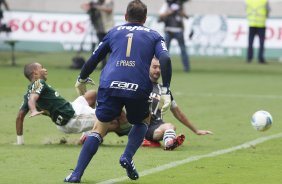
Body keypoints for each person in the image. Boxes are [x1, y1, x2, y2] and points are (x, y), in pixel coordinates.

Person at [64, 0, 172, 182]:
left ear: (125, 17)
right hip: (137, 86)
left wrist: (82, 77)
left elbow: (95, 57)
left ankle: (76, 174)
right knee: (142, 121)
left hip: (109, 84)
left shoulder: (113, 32)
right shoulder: (154, 36)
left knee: (99, 129)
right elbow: (166, 58)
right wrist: (166, 89)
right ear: (145, 18)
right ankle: (127, 157)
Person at [15, 62, 130, 145]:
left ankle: (92, 125)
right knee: (114, 116)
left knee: (92, 94)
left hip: (70, 109)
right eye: (42, 68)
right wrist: (34, 109)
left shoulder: (28, 93)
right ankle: (90, 135)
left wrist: (20, 141)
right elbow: (33, 99)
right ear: (35, 73)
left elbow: (19, 117)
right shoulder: (38, 83)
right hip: (71, 117)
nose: (45, 70)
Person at [142, 58, 213, 150]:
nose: (158, 70)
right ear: (148, 67)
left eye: (160, 68)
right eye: (155, 67)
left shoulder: (164, 90)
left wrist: (196, 130)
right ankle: (142, 138)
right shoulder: (139, 84)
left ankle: (169, 144)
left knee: (170, 127)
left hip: (156, 127)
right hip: (140, 126)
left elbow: (178, 113)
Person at [81, 0, 114, 69]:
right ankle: (103, 65)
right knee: (102, 47)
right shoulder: (96, 3)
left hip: (108, 28)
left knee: (110, 47)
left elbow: (109, 10)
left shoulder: (108, 1)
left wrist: (97, 7)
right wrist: (90, 5)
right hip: (99, 29)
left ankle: (111, 64)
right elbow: (83, 6)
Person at [159, 0, 190, 72]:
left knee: (183, 50)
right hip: (169, 30)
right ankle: (163, 67)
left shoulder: (180, 4)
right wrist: (170, 12)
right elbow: (161, 15)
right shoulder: (166, 4)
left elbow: (186, 16)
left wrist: (180, 12)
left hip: (178, 30)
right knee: (165, 51)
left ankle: (186, 68)